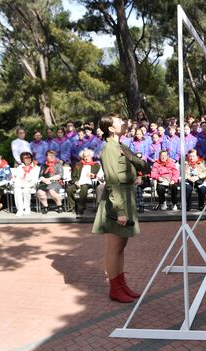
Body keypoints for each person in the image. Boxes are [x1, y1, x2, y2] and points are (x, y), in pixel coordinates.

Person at [92, 113, 149, 303]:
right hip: (117, 200)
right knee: (114, 246)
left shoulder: (121, 146)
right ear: (110, 128)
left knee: (122, 245)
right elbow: (113, 181)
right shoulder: (109, 149)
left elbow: (144, 166)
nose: (124, 123)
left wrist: (134, 163)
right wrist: (121, 211)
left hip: (126, 195)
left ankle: (122, 285)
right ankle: (115, 288)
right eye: (119, 122)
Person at [67, 148, 103, 217]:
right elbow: (73, 175)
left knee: (84, 187)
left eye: (88, 156)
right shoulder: (78, 164)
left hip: (89, 183)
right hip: (78, 182)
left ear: (91, 156)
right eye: (84, 156)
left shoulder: (95, 165)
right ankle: (73, 206)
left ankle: (81, 208)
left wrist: (93, 176)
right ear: (82, 157)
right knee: (69, 189)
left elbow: (98, 176)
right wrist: (76, 182)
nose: (86, 158)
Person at [36, 150, 65, 214]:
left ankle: (59, 205)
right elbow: (40, 176)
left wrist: (50, 179)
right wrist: (45, 180)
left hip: (56, 181)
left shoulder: (58, 164)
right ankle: (45, 206)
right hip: (45, 182)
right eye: (50, 155)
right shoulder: (43, 165)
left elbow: (60, 175)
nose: (52, 157)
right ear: (46, 156)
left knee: (52, 191)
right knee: (40, 192)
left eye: (53, 155)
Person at [13, 152, 40, 216]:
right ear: (22, 160)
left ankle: (27, 208)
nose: (27, 159)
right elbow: (17, 177)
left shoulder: (36, 167)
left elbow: (35, 179)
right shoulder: (20, 167)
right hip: (20, 185)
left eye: (29, 157)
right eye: (25, 158)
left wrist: (26, 180)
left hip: (31, 185)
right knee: (17, 190)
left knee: (26, 190)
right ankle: (20, 209)